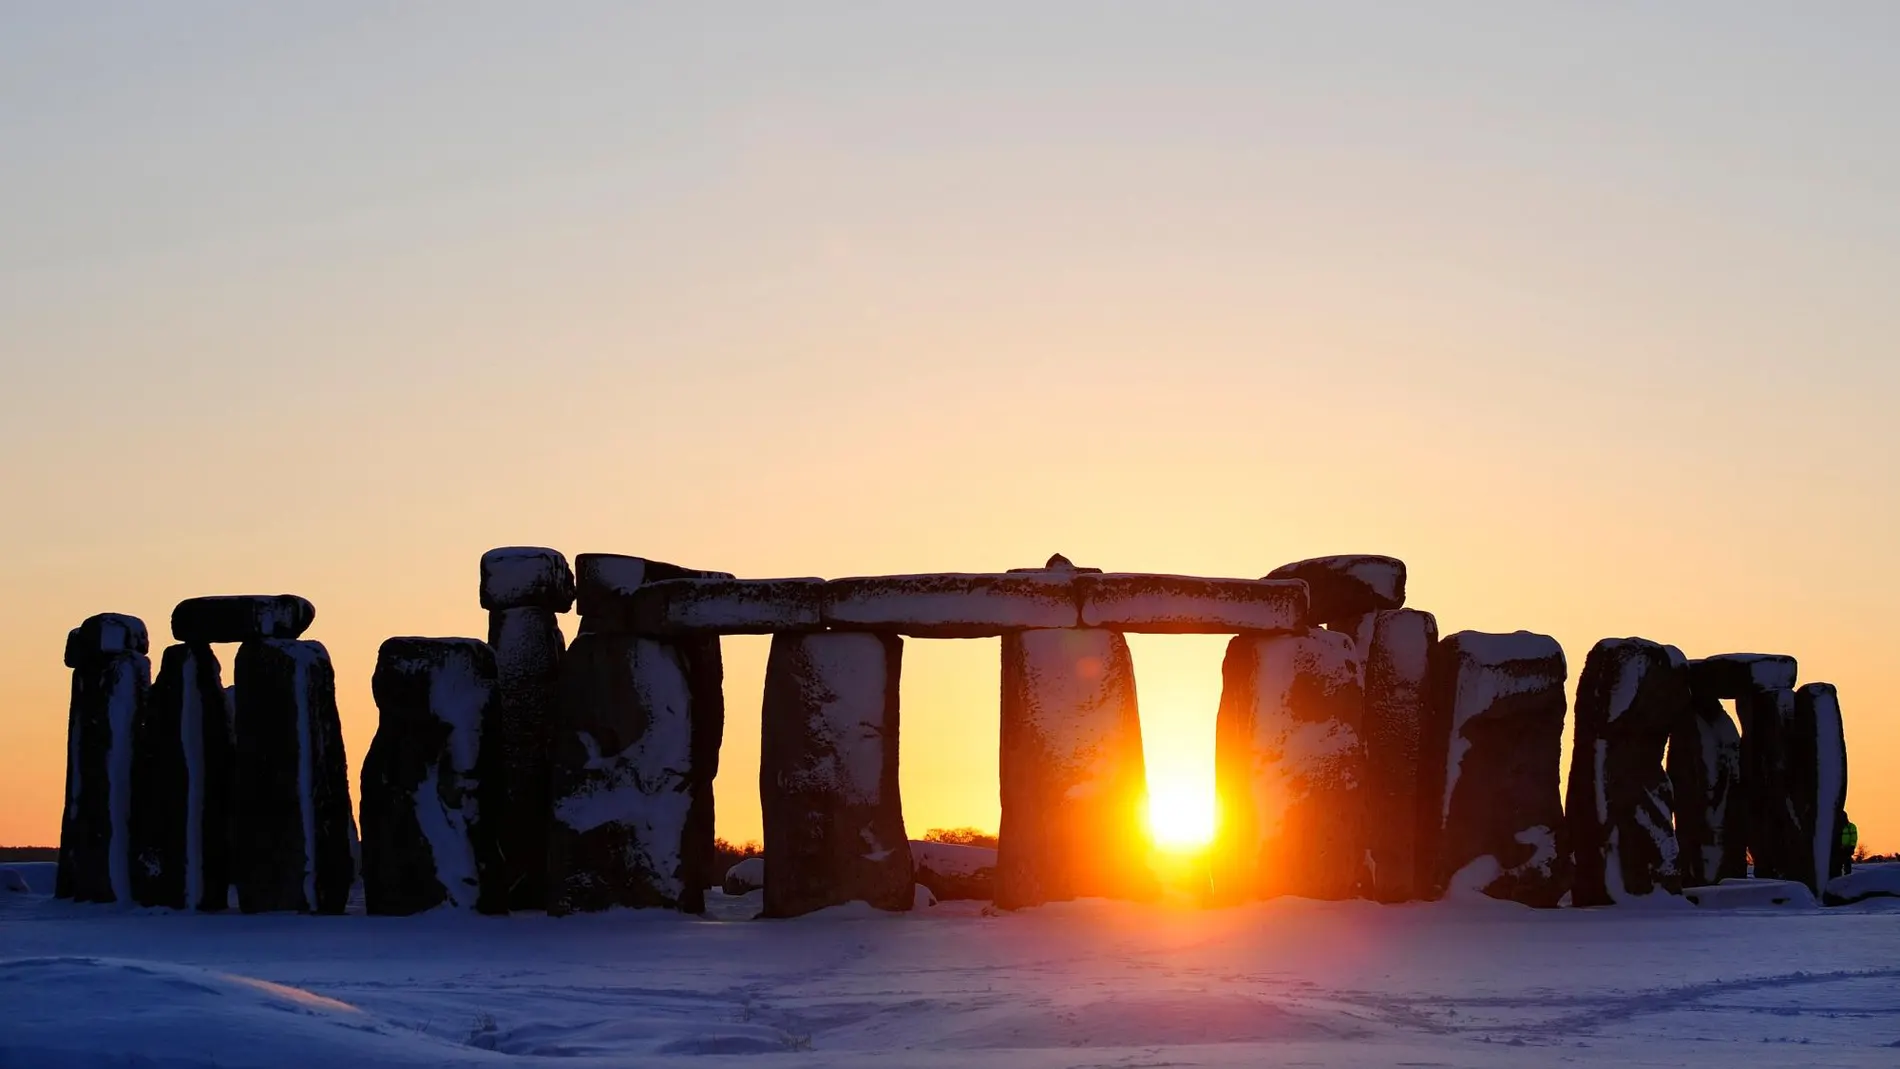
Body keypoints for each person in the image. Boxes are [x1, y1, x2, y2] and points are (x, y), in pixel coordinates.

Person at [1835, 813, 1857, 877]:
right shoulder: (1837, 827)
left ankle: (1847, 878)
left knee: (1847, 865)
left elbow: (1854, 838)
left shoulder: (1851, 826)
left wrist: (1851, 847)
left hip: (1847, 849)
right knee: (1838, 865)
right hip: (1838, 849)